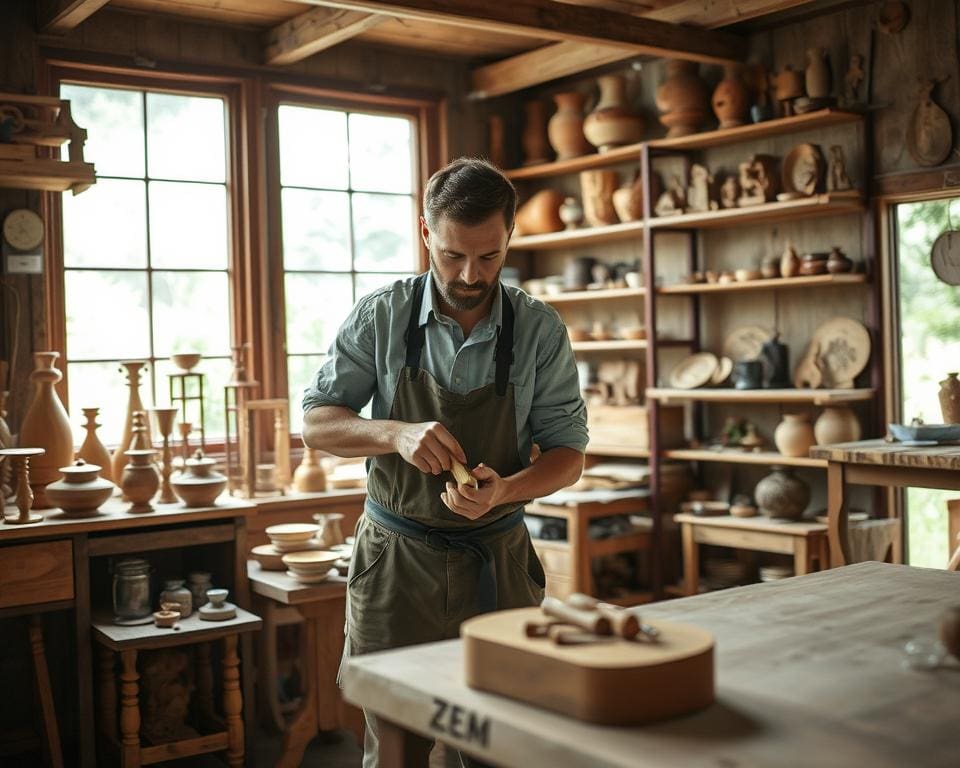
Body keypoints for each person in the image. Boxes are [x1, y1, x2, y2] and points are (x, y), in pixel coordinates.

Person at [301, 157, 588, 767]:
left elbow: (568, 456)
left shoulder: (539, 330)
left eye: (489, 257)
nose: (470, 274)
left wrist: (505, 489)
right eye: (454, 254)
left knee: (500, 739)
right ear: (427, 232)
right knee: (398, 743)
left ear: (510, 234)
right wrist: (395, 433)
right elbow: (317, 423)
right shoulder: (383, 316)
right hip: (395, 566)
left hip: (497, 561)